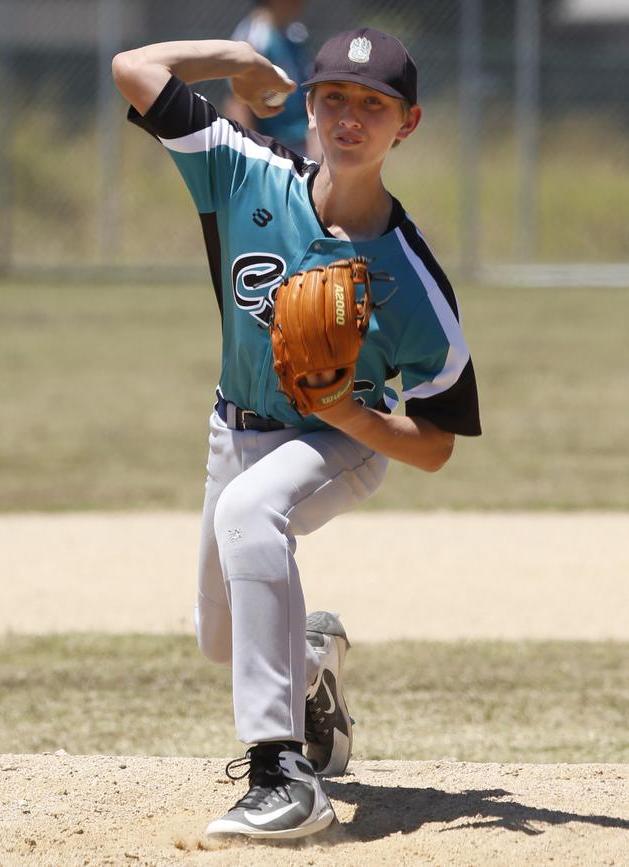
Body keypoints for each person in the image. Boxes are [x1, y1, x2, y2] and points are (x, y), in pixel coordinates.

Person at [112, 26, 481, 841]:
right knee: (222, 637)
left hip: (341, 442)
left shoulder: (412, 281)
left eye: (373, 105)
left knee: (252, 514)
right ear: (311, 107)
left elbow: (436, 442)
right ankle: (312, 666)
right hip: (232, 426)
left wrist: (350, 411)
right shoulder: (242, 167)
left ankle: (283, 775)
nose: (351, 117)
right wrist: (240, 63)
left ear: (406, 125)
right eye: (335, 98)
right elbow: (135, 69)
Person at [224, 0, 313, 157]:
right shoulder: (254, 36)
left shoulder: (295, 33)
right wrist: (249, 154)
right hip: (273, 146)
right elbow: (238, 101)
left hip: (302, 140)